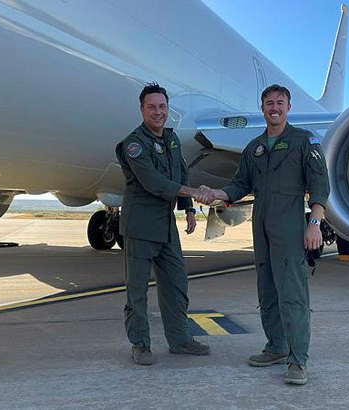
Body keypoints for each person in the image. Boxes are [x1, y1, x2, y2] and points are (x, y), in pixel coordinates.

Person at [203, 84, 329, 385]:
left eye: (280, 103)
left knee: (293, 295)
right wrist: (214, 193)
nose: (274, 107)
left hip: (289, 226)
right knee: (268, 291)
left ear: (288, 107)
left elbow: (320, 185)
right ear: (262, 108)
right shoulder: (254, 148)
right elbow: (239, 185)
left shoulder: (304, 141)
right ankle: (275, 346)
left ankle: (298, 361)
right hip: (260, 227)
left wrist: (314, 223)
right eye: (269, 102)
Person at [115, 82, 213, 365]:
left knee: (177, 284)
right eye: (151, 107)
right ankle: (141, 344)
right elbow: (154, 182)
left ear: (167, 109)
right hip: (140, 225)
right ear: (142, 109)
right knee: (137, 290)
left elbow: (181, 172)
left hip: (166, 225)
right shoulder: (134, 144)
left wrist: (189, 209)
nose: (158, 112)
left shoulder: (171, 140)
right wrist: (193, 193)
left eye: (162, 107)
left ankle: (180, 340)